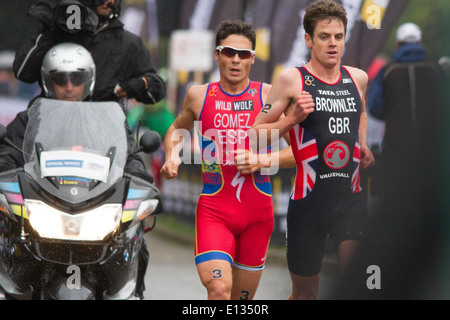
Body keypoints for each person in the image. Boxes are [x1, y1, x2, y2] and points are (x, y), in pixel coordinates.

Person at [0, 42, 152, 299]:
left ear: (89, 80)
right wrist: (5, 176)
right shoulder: (30, 119)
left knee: (136, 240)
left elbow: (131, 156)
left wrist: (140, 181)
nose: (69, 86)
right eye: (61, 79)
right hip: (44, 208)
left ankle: (134, 293)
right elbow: (8, 154)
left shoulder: (108, 118)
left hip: (96, 206)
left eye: (76, 78)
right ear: (48, 81)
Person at [251, 0, 375, 300]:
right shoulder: (291, 81)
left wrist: (363, 143)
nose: (332, 44)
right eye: (324, 37)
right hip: (309, 204)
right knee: (305, 293)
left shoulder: (358, 78)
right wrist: (292, 119)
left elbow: (360, 111)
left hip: (351, 199)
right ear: (309, 39)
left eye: (338, 37)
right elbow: (255, 137)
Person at [160, 20, 275, 300]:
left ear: (252, 59)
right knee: (219, 289)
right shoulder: (199, 96)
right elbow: (177, 129)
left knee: (241, 300)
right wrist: (172, 154)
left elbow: (300, 151)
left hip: (258, 214)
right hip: (215, 210)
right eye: (228, 52)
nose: (236, 59)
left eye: (243, 54)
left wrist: (261, 160)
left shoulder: (269, 96)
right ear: (217, 54)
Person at [13, 0, 165, 107]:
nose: (107, 1)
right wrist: (50, 30)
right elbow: (23, 73)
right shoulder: (60, 32)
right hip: (54, 128)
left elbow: (157, 88)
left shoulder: (128, 43)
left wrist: (141, 84)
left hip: (105, 137)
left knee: (133, 153)